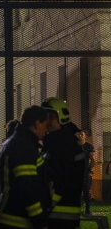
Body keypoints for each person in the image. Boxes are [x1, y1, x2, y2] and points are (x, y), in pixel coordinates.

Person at [0, 105, 51, 229]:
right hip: (18, 220)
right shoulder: (24, 147)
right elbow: (28, 188)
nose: (47, 130)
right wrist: (40, 221)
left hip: (8, 217)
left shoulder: (14, 143)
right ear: (36, 123)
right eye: (45, 125)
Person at [41, 97, 84, 229]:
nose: (44, 121)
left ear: (58, 117)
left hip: (59, 216)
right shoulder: (56, 142)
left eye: (48, 116)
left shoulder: (64, 144)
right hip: (59, 215)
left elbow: (60, 180)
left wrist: (45, 206)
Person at [78, 129, 95, 215]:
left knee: (86, 191)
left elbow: (92, 160)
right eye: (78, 134)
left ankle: (88, 209)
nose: (79, 136)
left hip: (85, 172)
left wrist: (90, 170)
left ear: (85, 136)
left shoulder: (89, 146)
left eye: (81, 134)